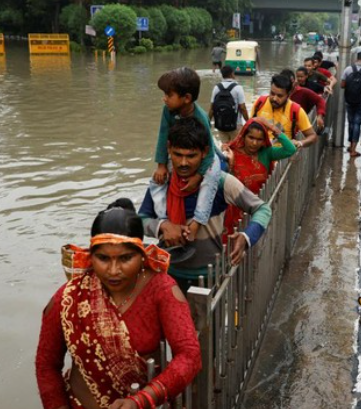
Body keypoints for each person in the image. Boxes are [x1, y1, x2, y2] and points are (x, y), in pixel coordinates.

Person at [36, 199, 202, 409]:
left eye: (125, 258)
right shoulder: (70, 297)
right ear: (90, 257)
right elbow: (46, 365)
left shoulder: (161, 290)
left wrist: (143, 399)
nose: (114, 270)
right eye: (103, 258)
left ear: (142, 255)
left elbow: (190, 355)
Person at [139, 118, 272, 293]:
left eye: (191, 156)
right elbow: (141, 220)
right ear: (169, 149)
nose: (183, 163)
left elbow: (262, 209)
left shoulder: (220, 182)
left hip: (212, 276)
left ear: (205, 152)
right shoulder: (162, 181)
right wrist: (162, 226)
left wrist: (246, 238)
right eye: (178, 154)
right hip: (169, 273)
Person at [151, 67, 221, 244]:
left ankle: (197, 222)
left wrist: (198, 176)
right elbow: (163, 136)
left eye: (169, 95)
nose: (164, 98)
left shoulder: (201, 118)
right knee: (156, 179)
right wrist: (160, 165)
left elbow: (209, 152)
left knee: (211, 177)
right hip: (185, 151)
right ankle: (164, 219)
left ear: (187, 98)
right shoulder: (168, 111)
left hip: (207, 154)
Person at [221, 118, 297, 240]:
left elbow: (290, 149)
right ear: (243, 136)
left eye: (259, 139)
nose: (254, 143)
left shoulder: (266, 153)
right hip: (234, 208)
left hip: (258, 207)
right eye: (251, 138)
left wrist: (273, 128)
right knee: (232, 242)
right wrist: (229, 164)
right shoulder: (231, 153)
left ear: (264, 141)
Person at [250, 74, 319, 148]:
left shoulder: (296, 110)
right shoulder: (260, 102)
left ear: (288, 95)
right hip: (259, 153)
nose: (274, 98)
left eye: (279, 96)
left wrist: (300, 143)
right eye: (272, 93)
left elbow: (313, 136)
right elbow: (248, 127)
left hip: (282, 157)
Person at [209, 65, 249, 143]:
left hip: (221, 124)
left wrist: (208, 123)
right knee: (237, 147)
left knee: (225, 148)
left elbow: (212, 108)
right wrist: (248, 121)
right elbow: (243, 108)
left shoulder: (216, 88)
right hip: (236, 124)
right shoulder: (238, 88)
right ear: (231, 74)